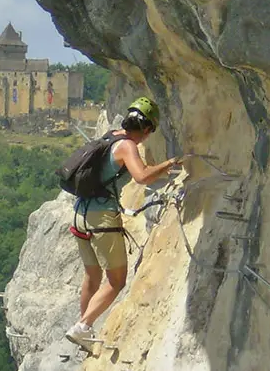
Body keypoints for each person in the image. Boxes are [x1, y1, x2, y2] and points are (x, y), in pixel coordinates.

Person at [65, 96, 182, 352]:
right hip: (101, 219)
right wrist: (170, 164)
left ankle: (84, 331)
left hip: (80, 214)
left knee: (92, 276)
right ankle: (82, 326)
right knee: (116, 281)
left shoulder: (110, 137)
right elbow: (141, 177)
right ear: (147, 129)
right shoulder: (128, 146)